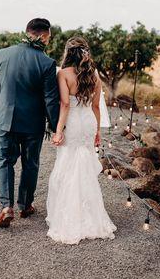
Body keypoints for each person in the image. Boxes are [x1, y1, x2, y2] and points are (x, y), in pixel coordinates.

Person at [46, 36, 117, 244]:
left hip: (74, 122)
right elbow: (96, 107)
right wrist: (97, 132)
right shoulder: (94, 74)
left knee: (68, 165)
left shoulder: (64, 74)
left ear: (68, 52)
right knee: (84, 166)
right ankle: (92, 216)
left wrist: (58, 131)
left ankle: (70, 216)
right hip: (87, 122)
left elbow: (65, 105)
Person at [0, 18, 60, 228]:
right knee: (30, 164)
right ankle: (25, 205)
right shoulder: (47, 63)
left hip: (6, 121)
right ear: (44, 36)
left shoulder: (3, 54)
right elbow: (50, 99)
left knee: (4, 161)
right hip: (32, 124)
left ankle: (6, 206)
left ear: (27, 32)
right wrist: (57, 127)